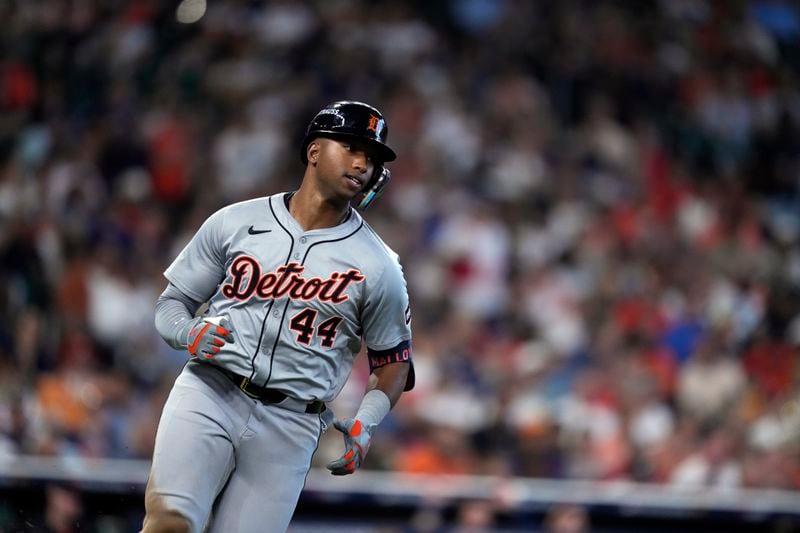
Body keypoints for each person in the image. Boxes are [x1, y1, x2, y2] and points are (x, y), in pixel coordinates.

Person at [142, 101, 415, 533]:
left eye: (373, 157)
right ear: (313, 152)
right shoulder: (235, 221)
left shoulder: (380, 265)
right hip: (210, 391)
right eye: (350, 147)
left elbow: (393, 363)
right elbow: (170, 304)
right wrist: (186, 332)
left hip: (293, 424)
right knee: (170, 522)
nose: (362, 163)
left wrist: (368, 421)